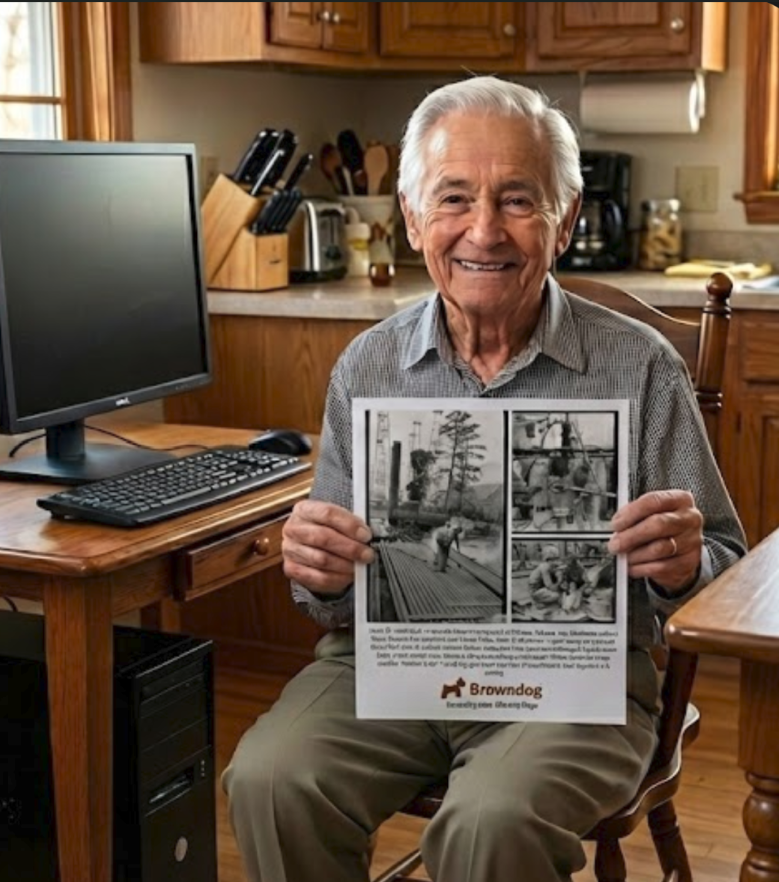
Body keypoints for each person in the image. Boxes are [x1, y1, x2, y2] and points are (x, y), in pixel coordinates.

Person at [221, 75, 747, 882]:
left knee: (490, 823)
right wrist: (317, 569)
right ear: (412, 218)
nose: (483, 231)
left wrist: (685, 563)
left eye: (518, 201)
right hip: (393, 663)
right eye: (454, 198)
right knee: (270, 779)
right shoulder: (370, 363)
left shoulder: (642, 367)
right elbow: (327, 595)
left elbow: (722, 557)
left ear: (566, 219)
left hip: (579, 679)